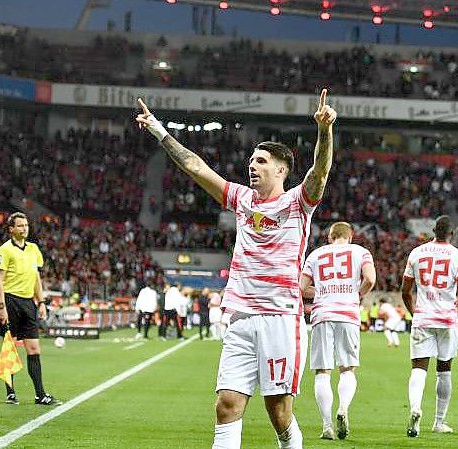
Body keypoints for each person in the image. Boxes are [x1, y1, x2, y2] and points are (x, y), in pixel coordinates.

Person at [137, 88, 336, 449]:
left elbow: (319, 174)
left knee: (279, 413)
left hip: (280, 319)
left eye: (260, 161)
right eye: (251, 160)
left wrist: (324, 131)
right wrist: (159, 131)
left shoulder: (297, 203)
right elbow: (196, 167)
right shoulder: (241, 199)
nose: (252, 165)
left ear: (280, 170)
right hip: (241, 318)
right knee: (226, 406)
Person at [299, 222, 376, 440]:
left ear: (330, 237)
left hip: (322, 314)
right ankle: (343, 408)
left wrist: (323, 290)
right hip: (348, 315)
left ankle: (327, 426)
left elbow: (300, 288)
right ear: (350, 237)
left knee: (322, 372)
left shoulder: (316, 255)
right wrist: (356, 295)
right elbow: (370, 279)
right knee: (347, 369)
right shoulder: (361, 252)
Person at [401, 215, 458, 437]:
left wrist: (416, 314)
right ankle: (439, 422)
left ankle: (415, 408)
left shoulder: (417, 253)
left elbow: (405, 291)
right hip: (447, 320)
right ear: (452, 234)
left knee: (418, 369)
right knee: (444, 371)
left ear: (433, 230)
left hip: (423, 318)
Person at [0, 212, 62, 406]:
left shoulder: (33, 249)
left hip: (28, 303)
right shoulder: (4, 251)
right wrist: (1, 307)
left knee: (34, 348)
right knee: (11, 347)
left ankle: (40, 394)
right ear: (11, 229)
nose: (25, 228)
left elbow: (36, 278)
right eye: (20, 225)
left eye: (26, 225)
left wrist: (41, 302)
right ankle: (10, 393)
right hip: (10, 301)